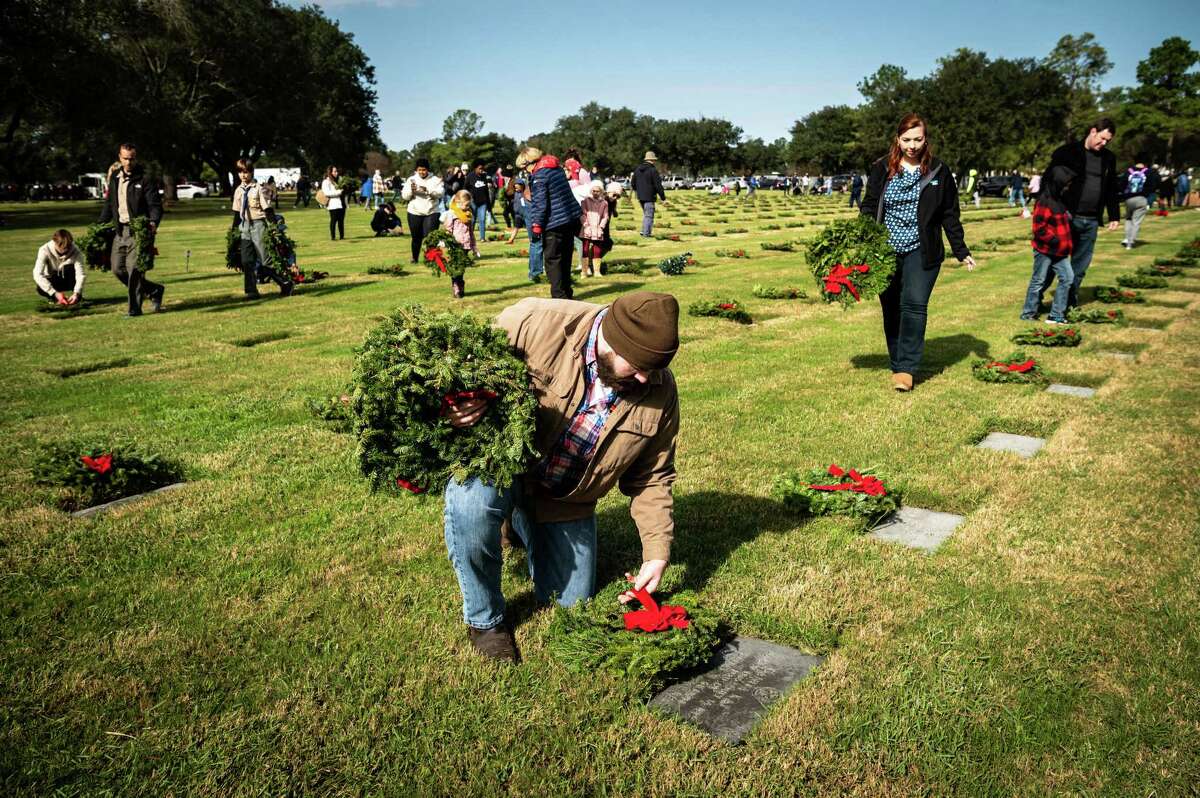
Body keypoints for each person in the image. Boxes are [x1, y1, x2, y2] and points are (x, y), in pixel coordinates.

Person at [441, 291, 682, 662]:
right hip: (499, 469)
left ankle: (520, 523)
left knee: (572, 601)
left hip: (564, 500)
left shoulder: (658, 388)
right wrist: (456, 404)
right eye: (636, 366)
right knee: (471, 505)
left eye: (652, 370)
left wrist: (656, 553)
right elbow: (454, 372)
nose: (643, 378)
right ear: (610, 340)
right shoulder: (532, 323)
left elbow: (653, 476)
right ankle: (484, 620)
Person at [860, 113, 976, 392]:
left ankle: (906, 369)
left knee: (914, 304)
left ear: (926, 139)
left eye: (918, 139)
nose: (912, 145)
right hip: (885, 249)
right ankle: (897, 360)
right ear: (897, 140)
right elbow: (869, 205)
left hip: (922, 249)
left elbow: (950, 213)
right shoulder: (881, 169)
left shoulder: (938, 170)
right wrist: (862, 239)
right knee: (891, 308)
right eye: (906, 140)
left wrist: (961, 250)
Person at [1038, 118, 1121, 308]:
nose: (1104, 143)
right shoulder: (1067, 152)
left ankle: (1067, 302)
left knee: (1080, 266)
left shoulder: (1109, 158)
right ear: (1093, 131)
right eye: (1101, 138)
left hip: (1091, 220)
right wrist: (1048, 210)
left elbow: (1111, 188)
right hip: (1066, 216)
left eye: (1108, 141)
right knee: (1052, 262)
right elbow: (1048, 182)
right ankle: (1036, 298)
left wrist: (1114, 215)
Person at [97, 142, 165, 316]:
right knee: (118, 269)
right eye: (125, 158)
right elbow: (109, 204)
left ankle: (134, 310)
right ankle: (154, 290)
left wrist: (153, 223)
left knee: (134, 269)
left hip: (138, 231)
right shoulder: (115, 178)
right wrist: (99, 226)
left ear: (136, 158)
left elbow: (155, 206)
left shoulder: (145, 179)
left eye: (132, 159)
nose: (128, 162)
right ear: (120, 158)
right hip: (120, 231)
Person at [523, 146, 581, 299]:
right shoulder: (556, 169)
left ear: (530, 163)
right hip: (569, 219)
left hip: (554, 223)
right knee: (566, 258)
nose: (525, 171)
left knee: (553, 261)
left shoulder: (539, 176)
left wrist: (536, 226)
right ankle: (567, 293)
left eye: (524, 167)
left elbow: (540, 204)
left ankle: (559, 297)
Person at [1020, 166, 1076, 324]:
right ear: (1057, 182)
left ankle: (1056, 315)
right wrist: (1054, 240)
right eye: (1065, 183)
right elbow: (1039, 228)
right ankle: (1028, 313)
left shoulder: (1059, 199)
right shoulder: (1044, 201)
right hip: (1045, 250)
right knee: (1038, 280)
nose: (1067, 186)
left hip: (1060, 251)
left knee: (1067, 278)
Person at [231, 159, 293, 298]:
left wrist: (274, 227)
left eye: (246, 172)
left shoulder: (259, 188)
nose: (243, 175)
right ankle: (251, 291)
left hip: (259, 225)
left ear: (252, 172)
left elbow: (268, 210)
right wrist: (233, 232)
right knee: (247, 261)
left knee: (265, 261)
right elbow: (236, 214)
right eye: (240, 172)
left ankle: (285, 283)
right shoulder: (238, 191)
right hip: (244, 226)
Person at [400, 158, 445, 264]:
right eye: (419, 170)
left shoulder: (435, 179)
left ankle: (431, 258)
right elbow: (405, 196)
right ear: (416, 170)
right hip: (414, 212)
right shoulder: (411, 179)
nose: (421, 172)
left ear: (428, 170)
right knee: (416, 237)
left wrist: (428, 191)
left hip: (432, 211)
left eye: (424, 170)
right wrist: (411, 190)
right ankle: (414, 258)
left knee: (430, 237)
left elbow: (440, 193)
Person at [441, 189, 478, 299]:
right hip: (455, 245)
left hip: (465, 245)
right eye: (466, 205)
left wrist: (474, 246)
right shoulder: (452, 214)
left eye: (469, 205)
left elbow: (471, 232)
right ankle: (456, 287)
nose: (468, 207)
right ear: (458, 202)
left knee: (461, 267)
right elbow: (447, 229)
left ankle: (460, 284)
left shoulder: (468, 215)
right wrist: (444, 242)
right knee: (455, 267)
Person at [33, 229, 86, 305]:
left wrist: (77, 293)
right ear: (54, 242)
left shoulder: (76, 251)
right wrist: (55, 293)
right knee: (40, 287)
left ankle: (76, 298)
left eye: (68, 247)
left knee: (73, 271)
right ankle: (54, 298)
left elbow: (80, 275)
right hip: (52, 278)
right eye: (62, 247)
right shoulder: (44, 250)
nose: (65, 250)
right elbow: (37, 274)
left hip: (69, 279)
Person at [1118, 159, 1158, 249]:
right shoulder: (1149, 172)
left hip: (1129, 199)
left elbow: (1121, 184)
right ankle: (1131, 242)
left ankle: (1126, 238)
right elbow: (1153, 186)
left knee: (1128, 219)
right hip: (1141, 198)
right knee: (1136, 221)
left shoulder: (1129, 171)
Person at [579, 180, 610, 278]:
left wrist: (601, 227)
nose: (595, 193)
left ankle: (597, 271)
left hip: (597, 228)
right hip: (587, 227)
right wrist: (586, 225)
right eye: (594, 191)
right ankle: (584, 271)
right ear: (591, 190)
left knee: (597, 249)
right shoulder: (585, 201)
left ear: (601, 191)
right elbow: (582, 214)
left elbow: (605, 216)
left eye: (598, 191)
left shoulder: (604, 203)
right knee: (585, 249)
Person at [632, 151, 665, 237]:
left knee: (646, 215)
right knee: (649, 215)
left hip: (640, 196)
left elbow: (633, 183)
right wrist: (663, 197)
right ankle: (646, 233)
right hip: (649, 196)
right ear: (652, 160)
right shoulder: (653, 170)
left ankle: (644, 231)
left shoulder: (637, 169)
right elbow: (658, 185)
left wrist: (638, 191)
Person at [466, 161, 493, 244]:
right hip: (473, 202)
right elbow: (465, 188)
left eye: (482, 168)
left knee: (482, 219)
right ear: (475, 168)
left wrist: (489, 205)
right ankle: (470, 237)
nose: (482, 170)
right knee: (473, 220)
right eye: (480, 168)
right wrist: (468, 199)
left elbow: (486, 191)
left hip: (483, 202)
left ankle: (482, 238)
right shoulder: (470, 176)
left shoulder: (484, 176)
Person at [321, 166, 346, 241]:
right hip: (333, 204)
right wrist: (339, 192)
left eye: (336, 171)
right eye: (334, 171)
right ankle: (333, 237)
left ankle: (342, 236)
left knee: (341, 221)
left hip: (341, 203)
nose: (336, 173)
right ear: (330, 172)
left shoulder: (339, 180)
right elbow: (326, 193)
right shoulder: (326, 181)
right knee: (334, 220)